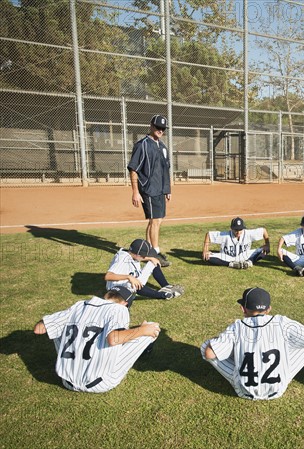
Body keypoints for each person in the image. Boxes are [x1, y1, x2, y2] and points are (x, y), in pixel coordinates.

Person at [33, 285, 161, 393]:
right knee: (152, 326)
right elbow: (113, 339)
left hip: (66, 381)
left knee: (57, 329)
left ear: (107, 296)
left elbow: (39, 329)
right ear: (125, 303)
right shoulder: (119, 309)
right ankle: (145, 352)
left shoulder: (79, 306)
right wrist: (142, 330)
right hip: (101, 383)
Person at [201, 287, 304, 400]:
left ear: (243, 308)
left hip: (243, 391)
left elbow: (209, 354)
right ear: (269, 309)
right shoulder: (282, 322)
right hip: (278, 390)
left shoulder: (236, 327)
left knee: (206, 347)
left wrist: (218, 340)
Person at [128, 114, 172, 267]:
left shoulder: (163, 147)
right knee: (155, 221)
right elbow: (133, 169)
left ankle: (148, 251)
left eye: (163, 128)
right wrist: (135, 192)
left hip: (160, 189)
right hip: (149, 189)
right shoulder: (142, 145)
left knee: (157, 220)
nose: (160, 130)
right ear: (151, 126)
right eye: (158, 127)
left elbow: (165, 169)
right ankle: (155, 252)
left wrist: (167, 189)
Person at [105, 238, 184, 305]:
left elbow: (139, 257)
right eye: (143, 255)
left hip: (129, 282)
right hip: (117, 290)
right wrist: (129, 277)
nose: (145, 256)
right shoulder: (122, 259)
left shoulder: (132, 254)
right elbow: (108, 276)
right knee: (135, 284)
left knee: (154, 262)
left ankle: (166, 286)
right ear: (137, 254)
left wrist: (150, 258)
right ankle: (164, 295)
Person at [202, 217, 270, 269]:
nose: (238, 232)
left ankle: (249, 262)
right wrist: (205, 250)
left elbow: (263, 231)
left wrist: (267, 245)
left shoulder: (248, 233)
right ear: (231, 228)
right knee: (207, 257)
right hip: (227, 258)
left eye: (240, 230)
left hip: (245, 255)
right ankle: (233, 264)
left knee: (264, 250)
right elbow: (208, 235)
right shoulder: (225, 235)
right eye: (236, 230)